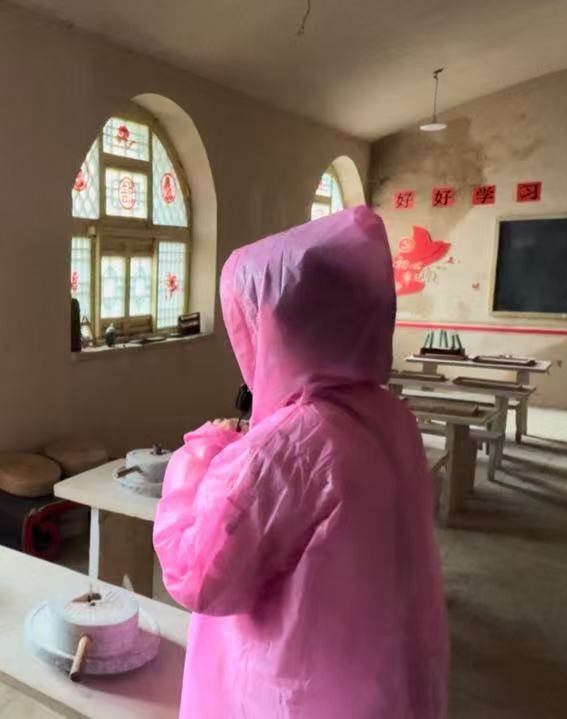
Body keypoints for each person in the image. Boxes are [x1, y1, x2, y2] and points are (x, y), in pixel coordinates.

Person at [153, 207, 448, 718]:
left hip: (296, 694)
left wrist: (200, 456)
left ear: (280, 327)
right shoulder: (391, 416)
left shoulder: (287, 447)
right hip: (381, 678)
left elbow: (198, 576)